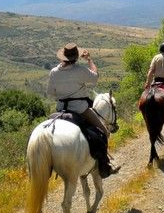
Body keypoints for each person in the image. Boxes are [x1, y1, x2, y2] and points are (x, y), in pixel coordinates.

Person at [46, 42, 119, 178]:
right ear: (76, 57)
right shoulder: (80, 70)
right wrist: (90, 60)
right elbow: (95, 77)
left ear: (63, 57)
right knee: (103, 131)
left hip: (60, 110)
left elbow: (50, 93)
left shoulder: (54, 72)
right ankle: (105, 165)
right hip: (81, 109)